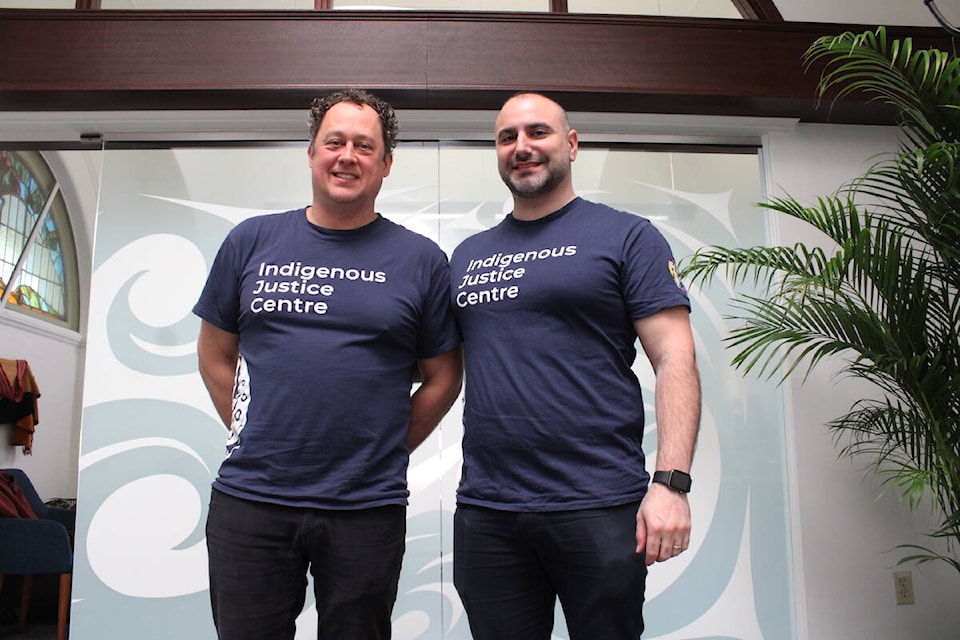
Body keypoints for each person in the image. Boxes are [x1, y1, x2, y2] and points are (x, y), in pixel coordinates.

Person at [193, 89, 463, 640]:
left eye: (365, 146)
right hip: (251, 501)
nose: (347, 156)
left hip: (365, 506)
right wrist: (255, 431)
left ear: (386, 163)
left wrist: (384, 445)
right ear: (311, 152)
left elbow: (444, 376)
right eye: (334, 142)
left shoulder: (421, 261)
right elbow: (214, 353)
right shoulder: (251, 241)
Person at [450, 92, 701, 640]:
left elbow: (674, 355)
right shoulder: (468, 256)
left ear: (571, 144)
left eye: (537, 132)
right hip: (487, 510)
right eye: (506, 137)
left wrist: (672, 483)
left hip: (599, 504)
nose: (522, 147)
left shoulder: (626, 236)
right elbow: (442, 367)